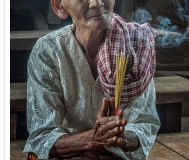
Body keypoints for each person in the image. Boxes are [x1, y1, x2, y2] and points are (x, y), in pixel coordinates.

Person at [23, 0, 161, 159]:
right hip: (68, 154)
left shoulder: (134, 45)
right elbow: (42, 135)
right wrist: (92, 139)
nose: (96, 3)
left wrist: (120, 138)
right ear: (59, 6)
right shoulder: (48, 51)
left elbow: (144, 123)